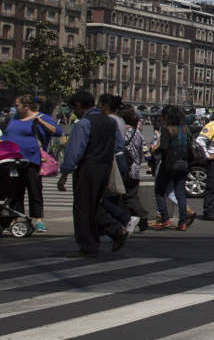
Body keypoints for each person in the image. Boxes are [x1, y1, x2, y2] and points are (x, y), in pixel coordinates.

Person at [57, 91, 131, 258]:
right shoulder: (110, 122)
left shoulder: (83, 123)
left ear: (78, 106)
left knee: (83, 207)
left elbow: (74, 152)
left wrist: (64, 174)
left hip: (88, 168)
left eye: (73, 108)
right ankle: (114, 230)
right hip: (104, 167)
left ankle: (88, 245)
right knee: (95, 203)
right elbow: (119, 145)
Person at [4, 94, 61, 233]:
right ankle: (15, 218)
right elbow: (6, 134)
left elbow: (57, 131)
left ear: (26, 106)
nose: (14, 107)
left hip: (32, 160)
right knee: (15, 191)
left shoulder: (41, 117)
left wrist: (41, 123)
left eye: (17, 105)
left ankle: (38, 219)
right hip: (13, 161)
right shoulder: (15, 118)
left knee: (34, 189)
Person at [151, 106, 196, 230]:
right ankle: (182, 223)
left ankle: (165, 219)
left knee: (160, 190)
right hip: (184, 163)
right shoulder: (185, 128)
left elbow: (164, 147)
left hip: (170, 164)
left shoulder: (167, 129)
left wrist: (155, 150)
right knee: (180, 193)